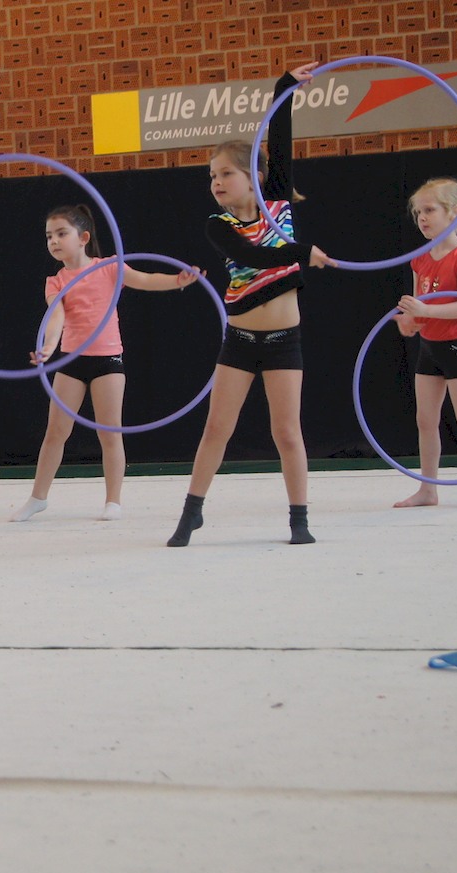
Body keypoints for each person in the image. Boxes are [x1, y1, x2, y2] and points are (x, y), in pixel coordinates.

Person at [167, 62, 334, 548]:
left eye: (226, 173)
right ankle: (191, 513)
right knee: (216, 429)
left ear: (255, 176)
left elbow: (280, 138)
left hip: (284, 342)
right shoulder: (218, 226)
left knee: (288, 433)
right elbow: (252, 257)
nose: (216, 182)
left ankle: (299, 519)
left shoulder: (277, 201)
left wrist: (285, 87)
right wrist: (302, 252)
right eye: (211, 175)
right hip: (239, 341)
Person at [10, 205, 198, 523]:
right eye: (49, 236)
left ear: (83, 238)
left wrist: (177, 280)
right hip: (71, 361)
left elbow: (146, 280)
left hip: (108, 361)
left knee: (109, 433)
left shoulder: (110, 267)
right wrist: (48, 348)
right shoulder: (55, 281)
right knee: (55, 432)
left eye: (61, 233)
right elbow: (55, 318)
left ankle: (113, 500)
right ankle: (37, 498)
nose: (53, 241)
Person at [390, 178, 457, 509]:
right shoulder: (420, 258)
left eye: (430, 210)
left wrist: (425, 311)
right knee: (425, 420)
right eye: (418, 212)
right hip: (430, 348)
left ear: (455, 212)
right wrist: (410, 321)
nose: (422, 217)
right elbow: (419, 308)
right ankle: (428, 489)